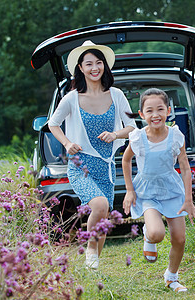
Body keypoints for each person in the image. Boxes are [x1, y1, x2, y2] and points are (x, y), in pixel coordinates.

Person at [48, 40, 136, 269]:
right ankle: (90, 252)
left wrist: (116, 134)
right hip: (81, 165)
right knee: (98, 205)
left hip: (106, 167)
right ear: (80, 68)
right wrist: (67, 143)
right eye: (89, 64)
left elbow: (132, 127)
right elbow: (53, 124)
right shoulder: (71, 98)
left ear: (105, 66)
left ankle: (92, 268)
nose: (95, 67)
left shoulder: (116, 95)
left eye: (99, 63)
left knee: (104, 213)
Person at [122, 88, 195, 292]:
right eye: (149, 111)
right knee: (158, 233)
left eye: (160, 109)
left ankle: (171, 277)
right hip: (147, 192)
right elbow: (126, 159)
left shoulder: (175, 135)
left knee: (179, 238)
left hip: (172, 191)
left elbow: (184, 167)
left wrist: (188, 200)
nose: (155, 115)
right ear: (142, 115)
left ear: (168, 111)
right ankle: (149, 236)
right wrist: (130, 190)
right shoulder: (137, 137)